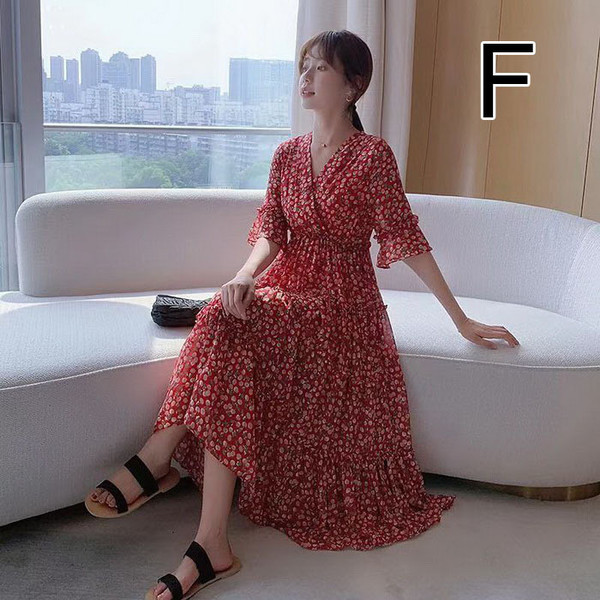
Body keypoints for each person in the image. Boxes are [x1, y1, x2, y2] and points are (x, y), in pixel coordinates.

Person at [86, 29, 520, 600]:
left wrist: (459, 319)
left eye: (320, 68)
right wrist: (245, 276)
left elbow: (406, 239)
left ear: (353, 85)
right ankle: (207, 535)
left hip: (343, 306)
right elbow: (272, 230)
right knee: (223, 314)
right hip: (287, 289)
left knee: (225, 324)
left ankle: (161, 467)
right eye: (304, 66)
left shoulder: (372, 156)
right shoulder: (286, 155)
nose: (306, 77)